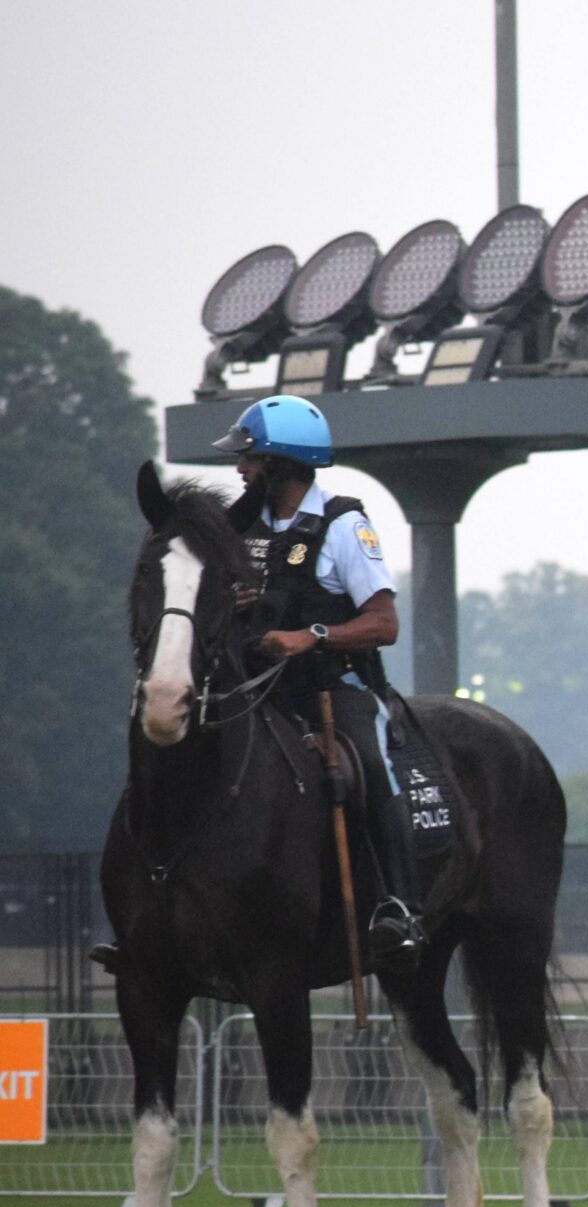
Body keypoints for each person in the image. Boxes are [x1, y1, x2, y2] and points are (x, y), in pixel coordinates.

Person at [97, 396, 426, 975]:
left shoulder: (343, 523)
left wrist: (311, 635)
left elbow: (384, 623)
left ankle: (399, 906)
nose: (240, 471)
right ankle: (144, 920)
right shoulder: (237, 528)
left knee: (370, 766)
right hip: (254, 687)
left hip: (333, 688)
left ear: (279, 464)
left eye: (249, 461)